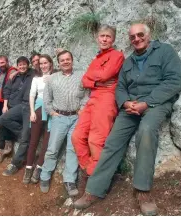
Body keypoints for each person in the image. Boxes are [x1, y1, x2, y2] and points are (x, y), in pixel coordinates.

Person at [74, 24, 181, 216]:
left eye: (140, 35)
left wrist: (147, 102)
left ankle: (142, 191)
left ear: (148, 35)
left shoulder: (165, 51)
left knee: (146, 131)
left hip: (156, 103)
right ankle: (94, 189)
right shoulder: (130, 60)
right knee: (112, 141)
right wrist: (125, 103)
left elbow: (174, 81)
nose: (136, 39)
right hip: (131, 106)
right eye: (132, 37)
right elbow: (120, 87)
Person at [71, 25, 124, 186]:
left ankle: (97, 180)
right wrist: (96, 81)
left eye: (108, 36)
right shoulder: (97, 58)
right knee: (77, 136)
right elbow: (85, 80)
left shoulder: (117, 55)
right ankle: (90, 170)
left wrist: (93, 79)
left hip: (107, 98)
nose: (105, 39)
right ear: (97, 38)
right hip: (93, 98)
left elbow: (106, 74)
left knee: (96, 139)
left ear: (113, 39)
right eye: (102, 36)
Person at [39, 50, 85, 197]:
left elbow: (87, 95)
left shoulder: (81, 76)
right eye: (62, 60)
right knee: (53, 148)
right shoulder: (52, 78)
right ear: (58, 63)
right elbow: (47, 99)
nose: (65, 62)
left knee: (73, 149)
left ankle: (69, 180)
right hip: (59, 117)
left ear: (72, 60)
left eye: (68, 59)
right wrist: (52, 112)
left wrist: (82, 108)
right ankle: (45, 175)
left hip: (76, 118)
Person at [0, 56, 35, 176]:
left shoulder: (34, 74)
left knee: (24, 139)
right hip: (19, 106)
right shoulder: (14, 76)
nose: (22, 66)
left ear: (28, 65)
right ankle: (23, 136)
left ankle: (15, 163)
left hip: (30, 106)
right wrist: (5, 105)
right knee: (3, 118)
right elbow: (6, 90)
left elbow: (47, 68)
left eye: (24, 64)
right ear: (17, 66)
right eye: (20, 65)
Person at [22, 54, 54, 184]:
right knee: (33, 141)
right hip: (39, 108)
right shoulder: (36, 79)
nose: (43, 66)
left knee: (47, 142)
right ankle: (29, 168)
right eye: (41, 64)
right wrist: (32, 112)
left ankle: (39, 167)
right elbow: (31, 96)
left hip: (52, 110)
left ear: (50, 64)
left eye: (46, 63)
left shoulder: (56, 77)